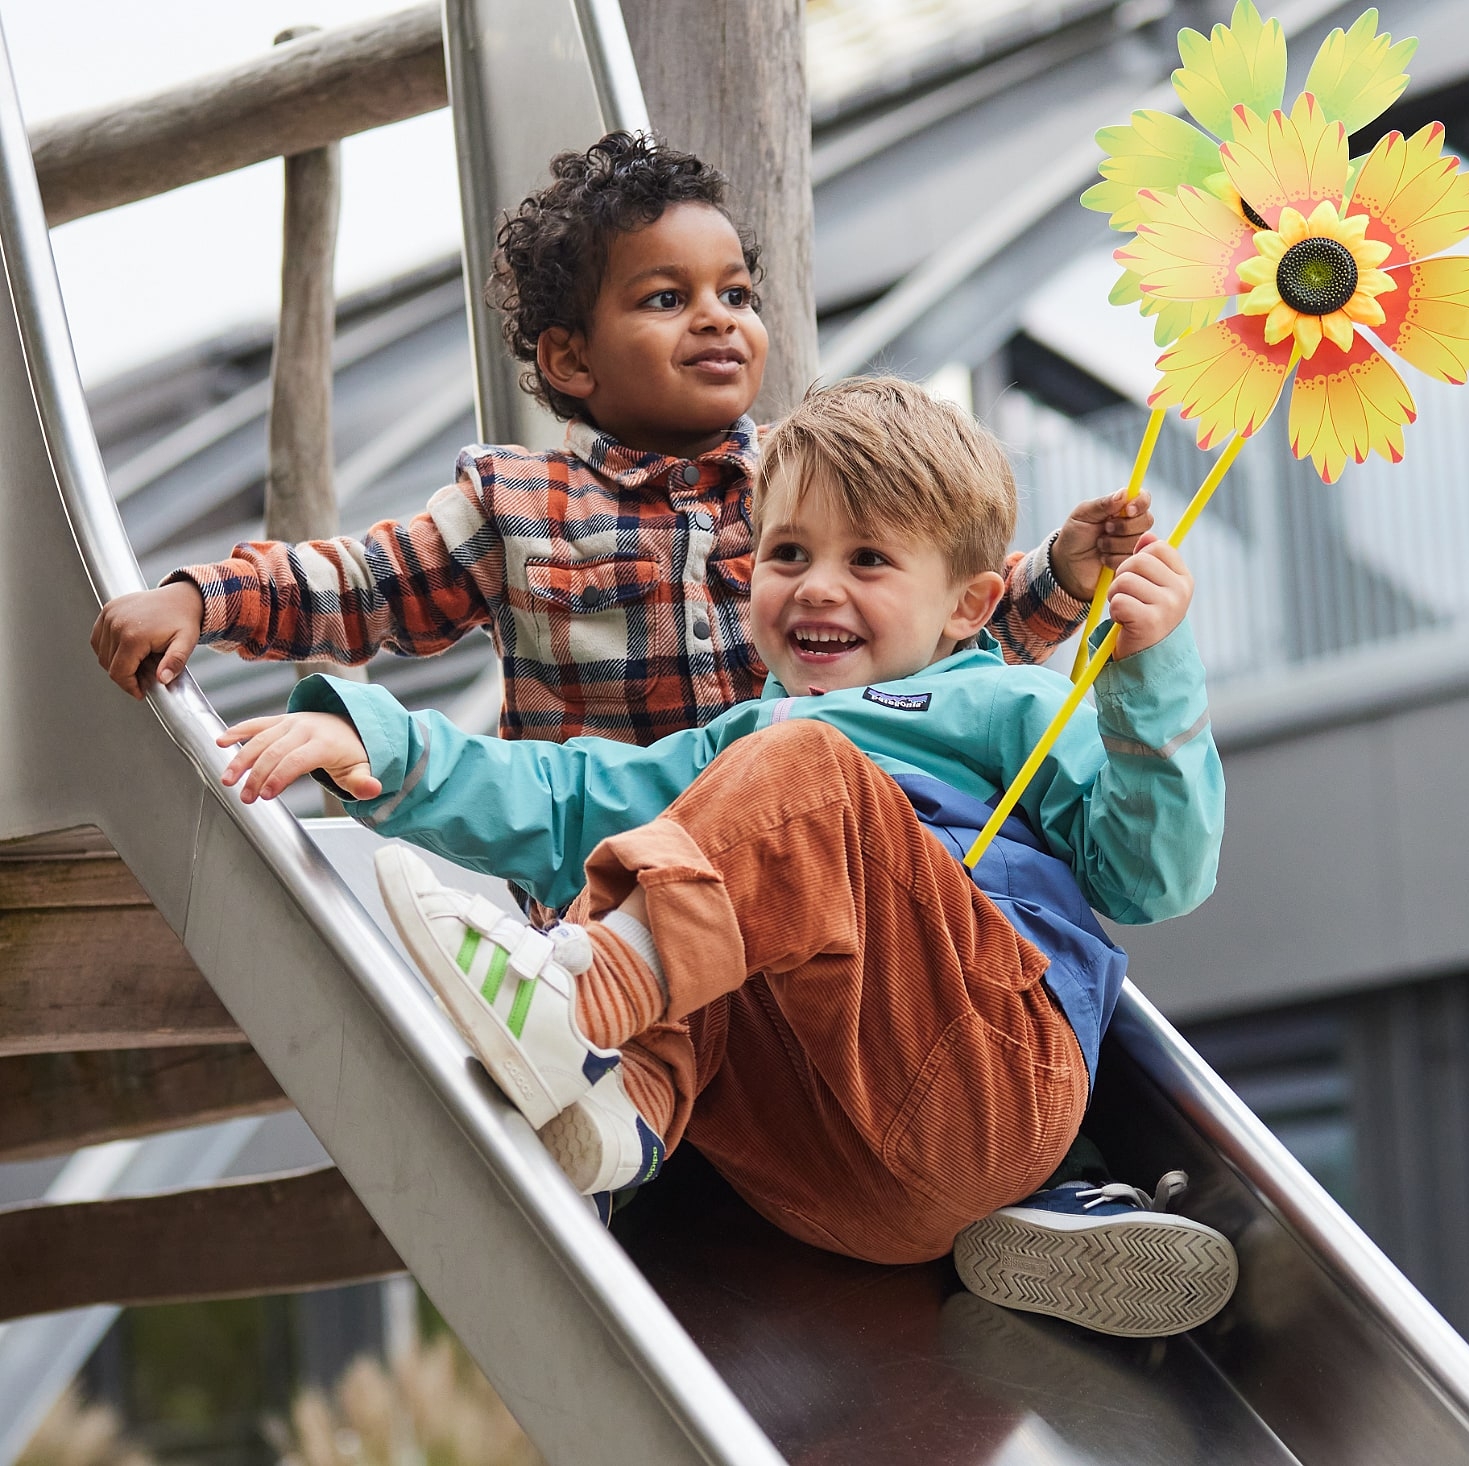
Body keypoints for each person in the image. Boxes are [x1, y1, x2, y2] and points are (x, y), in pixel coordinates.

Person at [213, 378, 1239, 1338]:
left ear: (970, 607)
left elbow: (1152, 876)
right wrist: (387, 749)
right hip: (821, 1183)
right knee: (690, 857)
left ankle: (590, 1011)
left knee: (790, 775)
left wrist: (1149, 674)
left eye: (868, 561)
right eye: (788, 555)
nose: (815, 588)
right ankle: (619, 1115)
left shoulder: (1007, 702)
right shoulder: (746, 749)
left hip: (988, 1079)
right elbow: (568, 800)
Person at [87, 131, 1151, 743]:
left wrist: (1063, 569)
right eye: (664, 296)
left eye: (735, 291)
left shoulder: (807, 480)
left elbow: (941, 625)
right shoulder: (516, 508)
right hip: (608, 899)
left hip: (798, 868)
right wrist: (201, 598)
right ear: (569, 360)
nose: (718, 316)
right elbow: (361, 581)